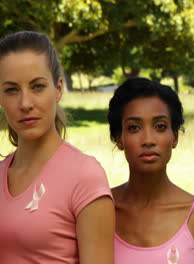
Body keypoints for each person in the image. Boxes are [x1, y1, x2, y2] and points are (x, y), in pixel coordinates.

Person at [0, 31, 114, 263]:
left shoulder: (84, 176)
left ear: (59, 89)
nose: (25, 103)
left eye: (38, 86)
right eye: (11, 90)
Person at [108, 77, 194, 264]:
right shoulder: (99, 211)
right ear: (119, 139)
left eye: (160, 126)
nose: (148, 139)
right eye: (134, 128)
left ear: (175, 137)